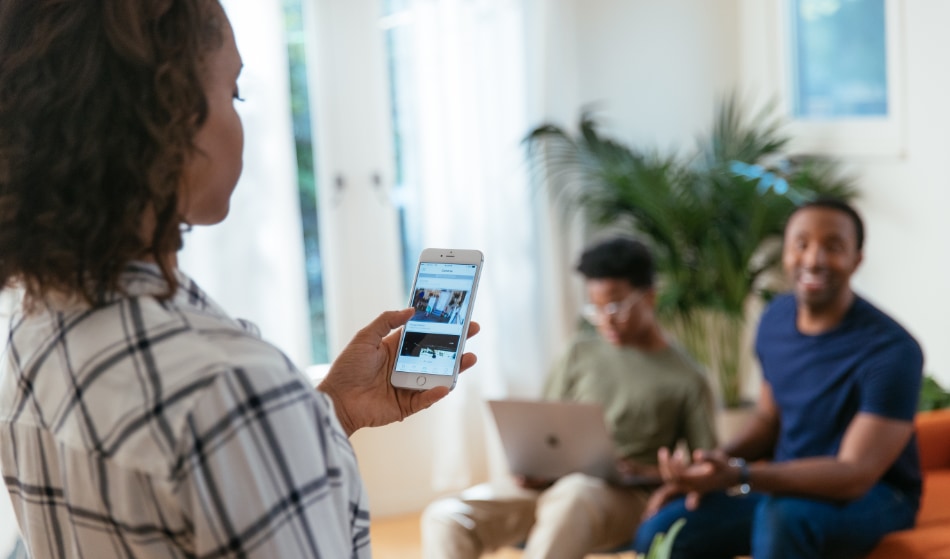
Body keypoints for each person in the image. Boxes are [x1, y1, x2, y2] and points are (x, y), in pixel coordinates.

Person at [0, 1, 477, 558]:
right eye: (234, 93)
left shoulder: (29, 328)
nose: (241, 119)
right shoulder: (227, 384)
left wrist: (331, 411)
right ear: (163, 118)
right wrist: (278, 414)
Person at [634, 198, 923, 559]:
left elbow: (855, 473)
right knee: (662, 530)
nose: (813, 259)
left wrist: (740, 476)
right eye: (801, 244)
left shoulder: (892, 350)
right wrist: (709, 467)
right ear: (785, 254)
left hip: (876, 496)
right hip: (787, 484)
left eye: (833, 247)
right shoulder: (775, 319)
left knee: (783, 518)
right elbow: (768, 421)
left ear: (856, 259)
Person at [421, 237, 717, 559]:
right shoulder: (580, 351)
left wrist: (649, 474)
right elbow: (545, 427)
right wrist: (533, 465)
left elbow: (710, 469)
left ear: (650, 297)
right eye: (596, 308)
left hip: (623, 499)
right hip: (551, 489)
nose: (606, 320)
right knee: (446, 517)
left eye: (616, 307)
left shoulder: (688, 377)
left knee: (574, 494)